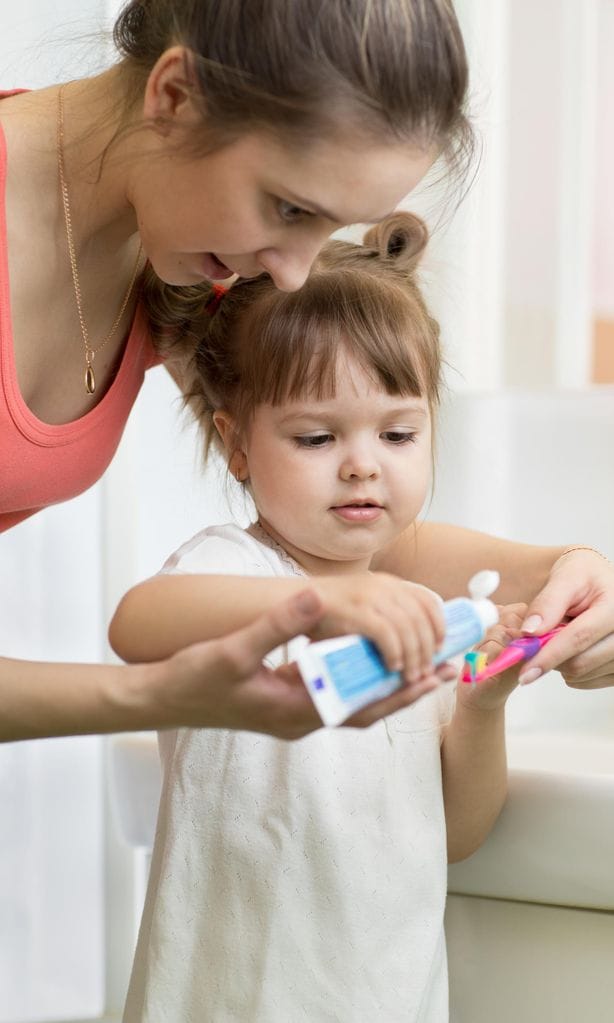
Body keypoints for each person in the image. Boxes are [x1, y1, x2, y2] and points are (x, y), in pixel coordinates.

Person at [2, 0, 613, 744]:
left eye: (328, 226)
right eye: (290, 207)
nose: (293, 273)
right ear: (173, 97)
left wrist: (566, 574)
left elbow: (335, 535)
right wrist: (161, 696)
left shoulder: (176, 260)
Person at [110, 213, 525, 1022]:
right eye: (315, 436)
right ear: (236, 445)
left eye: (399, 431)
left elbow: (458, 833)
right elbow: (137, 623)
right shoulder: (237, 567)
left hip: (384, 997)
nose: (363, 462)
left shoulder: (426, 620)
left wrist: (483, 705)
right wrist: (323, 602)